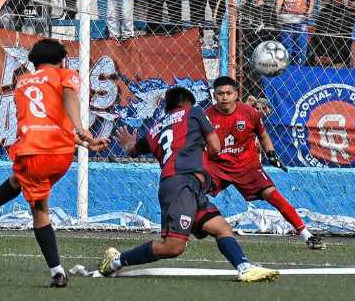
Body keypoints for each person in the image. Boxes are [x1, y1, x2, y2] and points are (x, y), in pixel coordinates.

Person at [0, 40, 108, 288]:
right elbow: (69, 99)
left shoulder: (22, 83)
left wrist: (81, 132)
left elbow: (41, 119)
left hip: (33, 152)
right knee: (18, 179)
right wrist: (83, 136)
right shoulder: (66, 74)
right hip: (60, 155)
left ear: (34, 61)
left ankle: (58, 272)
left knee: (39, 211)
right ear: (61, 60)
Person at [101, 87, 279, 282]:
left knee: (221, 227)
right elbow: (216, 147)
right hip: (182, 184)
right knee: (173, 247)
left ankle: (244, 268)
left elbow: (133, 149)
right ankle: (116, 261)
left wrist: (128, 143)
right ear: (187, 103)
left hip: (185, 185)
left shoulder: (157, 127)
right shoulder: (194, 112)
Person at [203, 76, 325, 250]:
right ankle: (179, 232)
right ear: (214, 95)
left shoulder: (249, 112)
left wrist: (271, 153)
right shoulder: (206, 116)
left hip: (247, 166)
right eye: (220, 93)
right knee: (191, 191)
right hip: (217, 166)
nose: (224, 97)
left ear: (236, 94)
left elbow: (263, 134)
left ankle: (307, 235)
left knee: (273, 194)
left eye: (228, 93)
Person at [237, 0, 278, 100]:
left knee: (258, 81)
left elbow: (275, 33)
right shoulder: (244, 8)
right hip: (244, 50)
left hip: (262, 51)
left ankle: (260, 103)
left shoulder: (269, 10)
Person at [312, 0, 355, 67]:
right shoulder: (322, 13)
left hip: (338, 62)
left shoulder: (349, 15)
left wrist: (333, 59)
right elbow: (315, 38)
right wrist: (315, 57)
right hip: (319, 60)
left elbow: (348, 42)